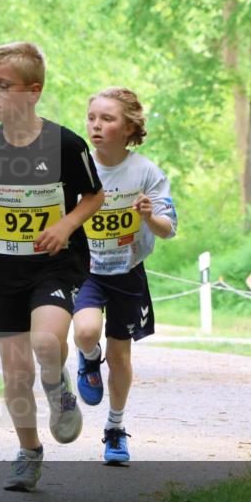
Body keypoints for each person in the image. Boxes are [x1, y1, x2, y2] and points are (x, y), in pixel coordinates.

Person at [0, 42, 104, 491]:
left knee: (46, 341)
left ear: (33, 91)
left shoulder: (65, 143)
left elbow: (93, 195)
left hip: (55, 264)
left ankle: (58, 388)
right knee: (15, 372)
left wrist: (67, 223)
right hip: (2, 273)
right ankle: (28, 451)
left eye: (3, 86)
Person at [71, 87, 176, 464]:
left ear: (129, 127)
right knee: (84, 331)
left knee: (120, 355)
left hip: (128, 271)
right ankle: (87, 356)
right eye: (92, 118)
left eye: (107, 119)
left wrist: (148, 216)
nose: (96, 126)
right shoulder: (76, 167)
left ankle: (115, 429)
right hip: (87, 270)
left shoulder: (146, 172)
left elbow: (167, 229)